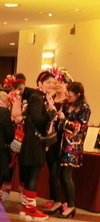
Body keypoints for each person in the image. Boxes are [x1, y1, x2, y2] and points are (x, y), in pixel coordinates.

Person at [18, 70, 57, 221]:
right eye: (48, 82)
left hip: (34, 142)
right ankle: (31, 209)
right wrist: (51, 114)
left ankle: (26, 207)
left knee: (31, 175)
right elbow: (38, 119)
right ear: (40, 83)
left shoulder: (42, 97)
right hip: (34, 143)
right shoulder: (37, 97)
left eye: (53, 82)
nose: (51, 85)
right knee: (33, 174)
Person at [56, 81, 91, 218]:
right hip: (62, 142)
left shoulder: (84, 108)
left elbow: (80, 127)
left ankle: (71, 205)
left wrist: (64, 120)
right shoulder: (66, 104)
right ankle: (66, 203)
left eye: (70, 96)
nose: (68, 98)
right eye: (67, 95)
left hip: (73, 145)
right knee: (61, 174)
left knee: (66, 174)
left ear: (78, 95)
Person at [41, 68, 73, 214]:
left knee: (59, 173)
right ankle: (54, 198)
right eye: (56, 82)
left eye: (61, 82)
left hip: (63, 141)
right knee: (52, 172)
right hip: (51, 139)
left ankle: (62, 201)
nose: (58, 85)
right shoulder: (50, 99)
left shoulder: (68, 103)